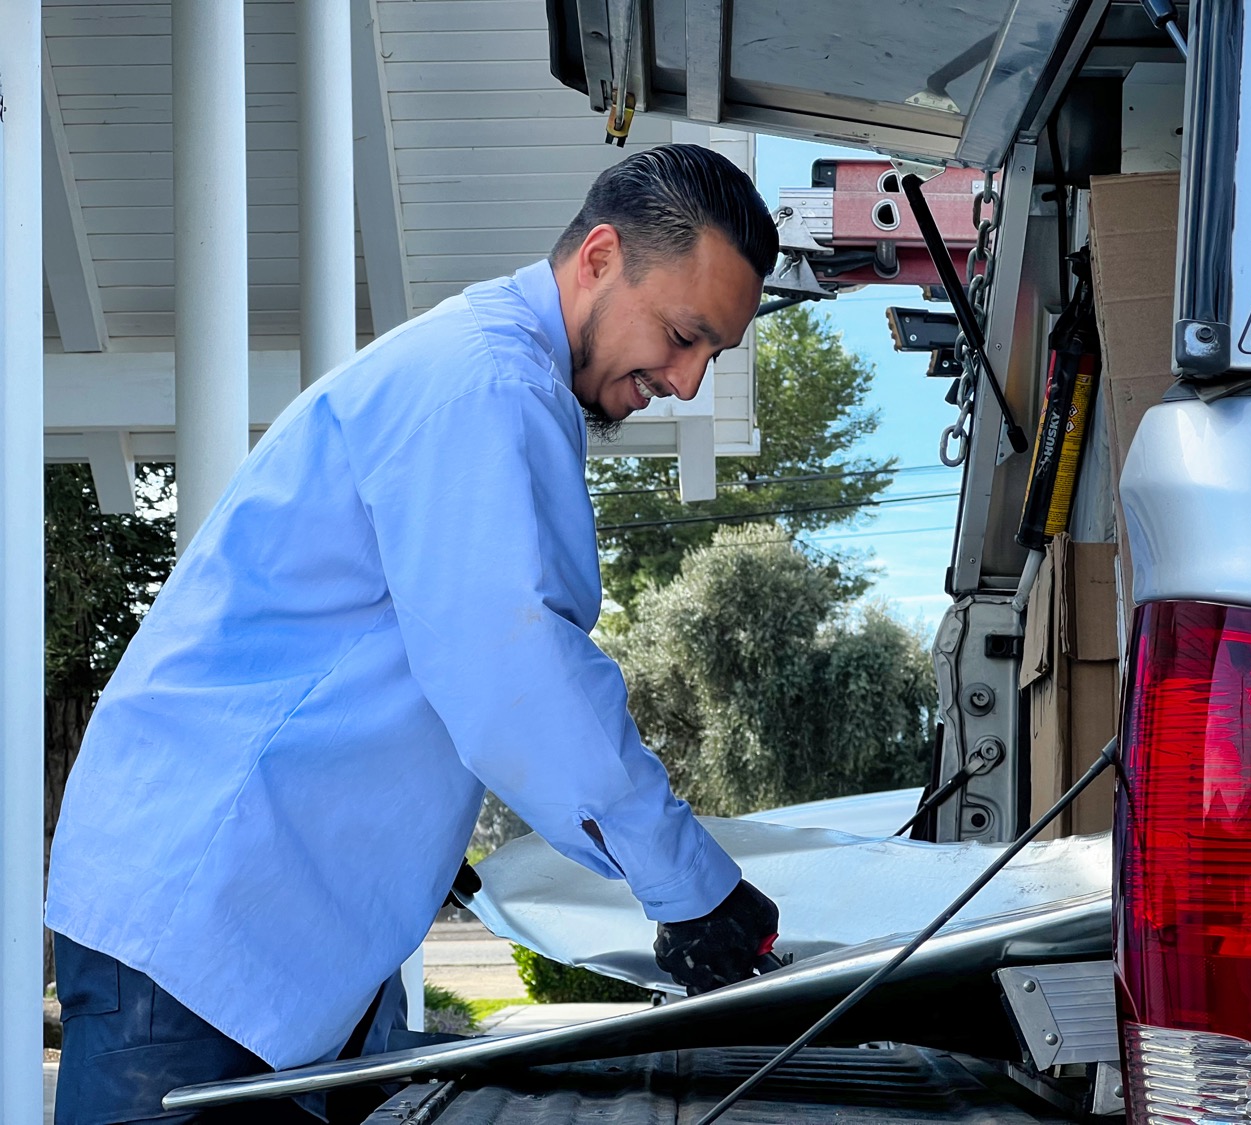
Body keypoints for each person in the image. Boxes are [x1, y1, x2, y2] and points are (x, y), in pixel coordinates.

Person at [45, 143, 782, 1123]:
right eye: (684, 335)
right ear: (600, 258)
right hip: (203, 931)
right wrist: (691, 889)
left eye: (712, 356)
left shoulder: (481, 376)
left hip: (253, 933)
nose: (688, 382)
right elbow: (514, 666)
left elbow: (425, 660)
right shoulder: (484, 390)